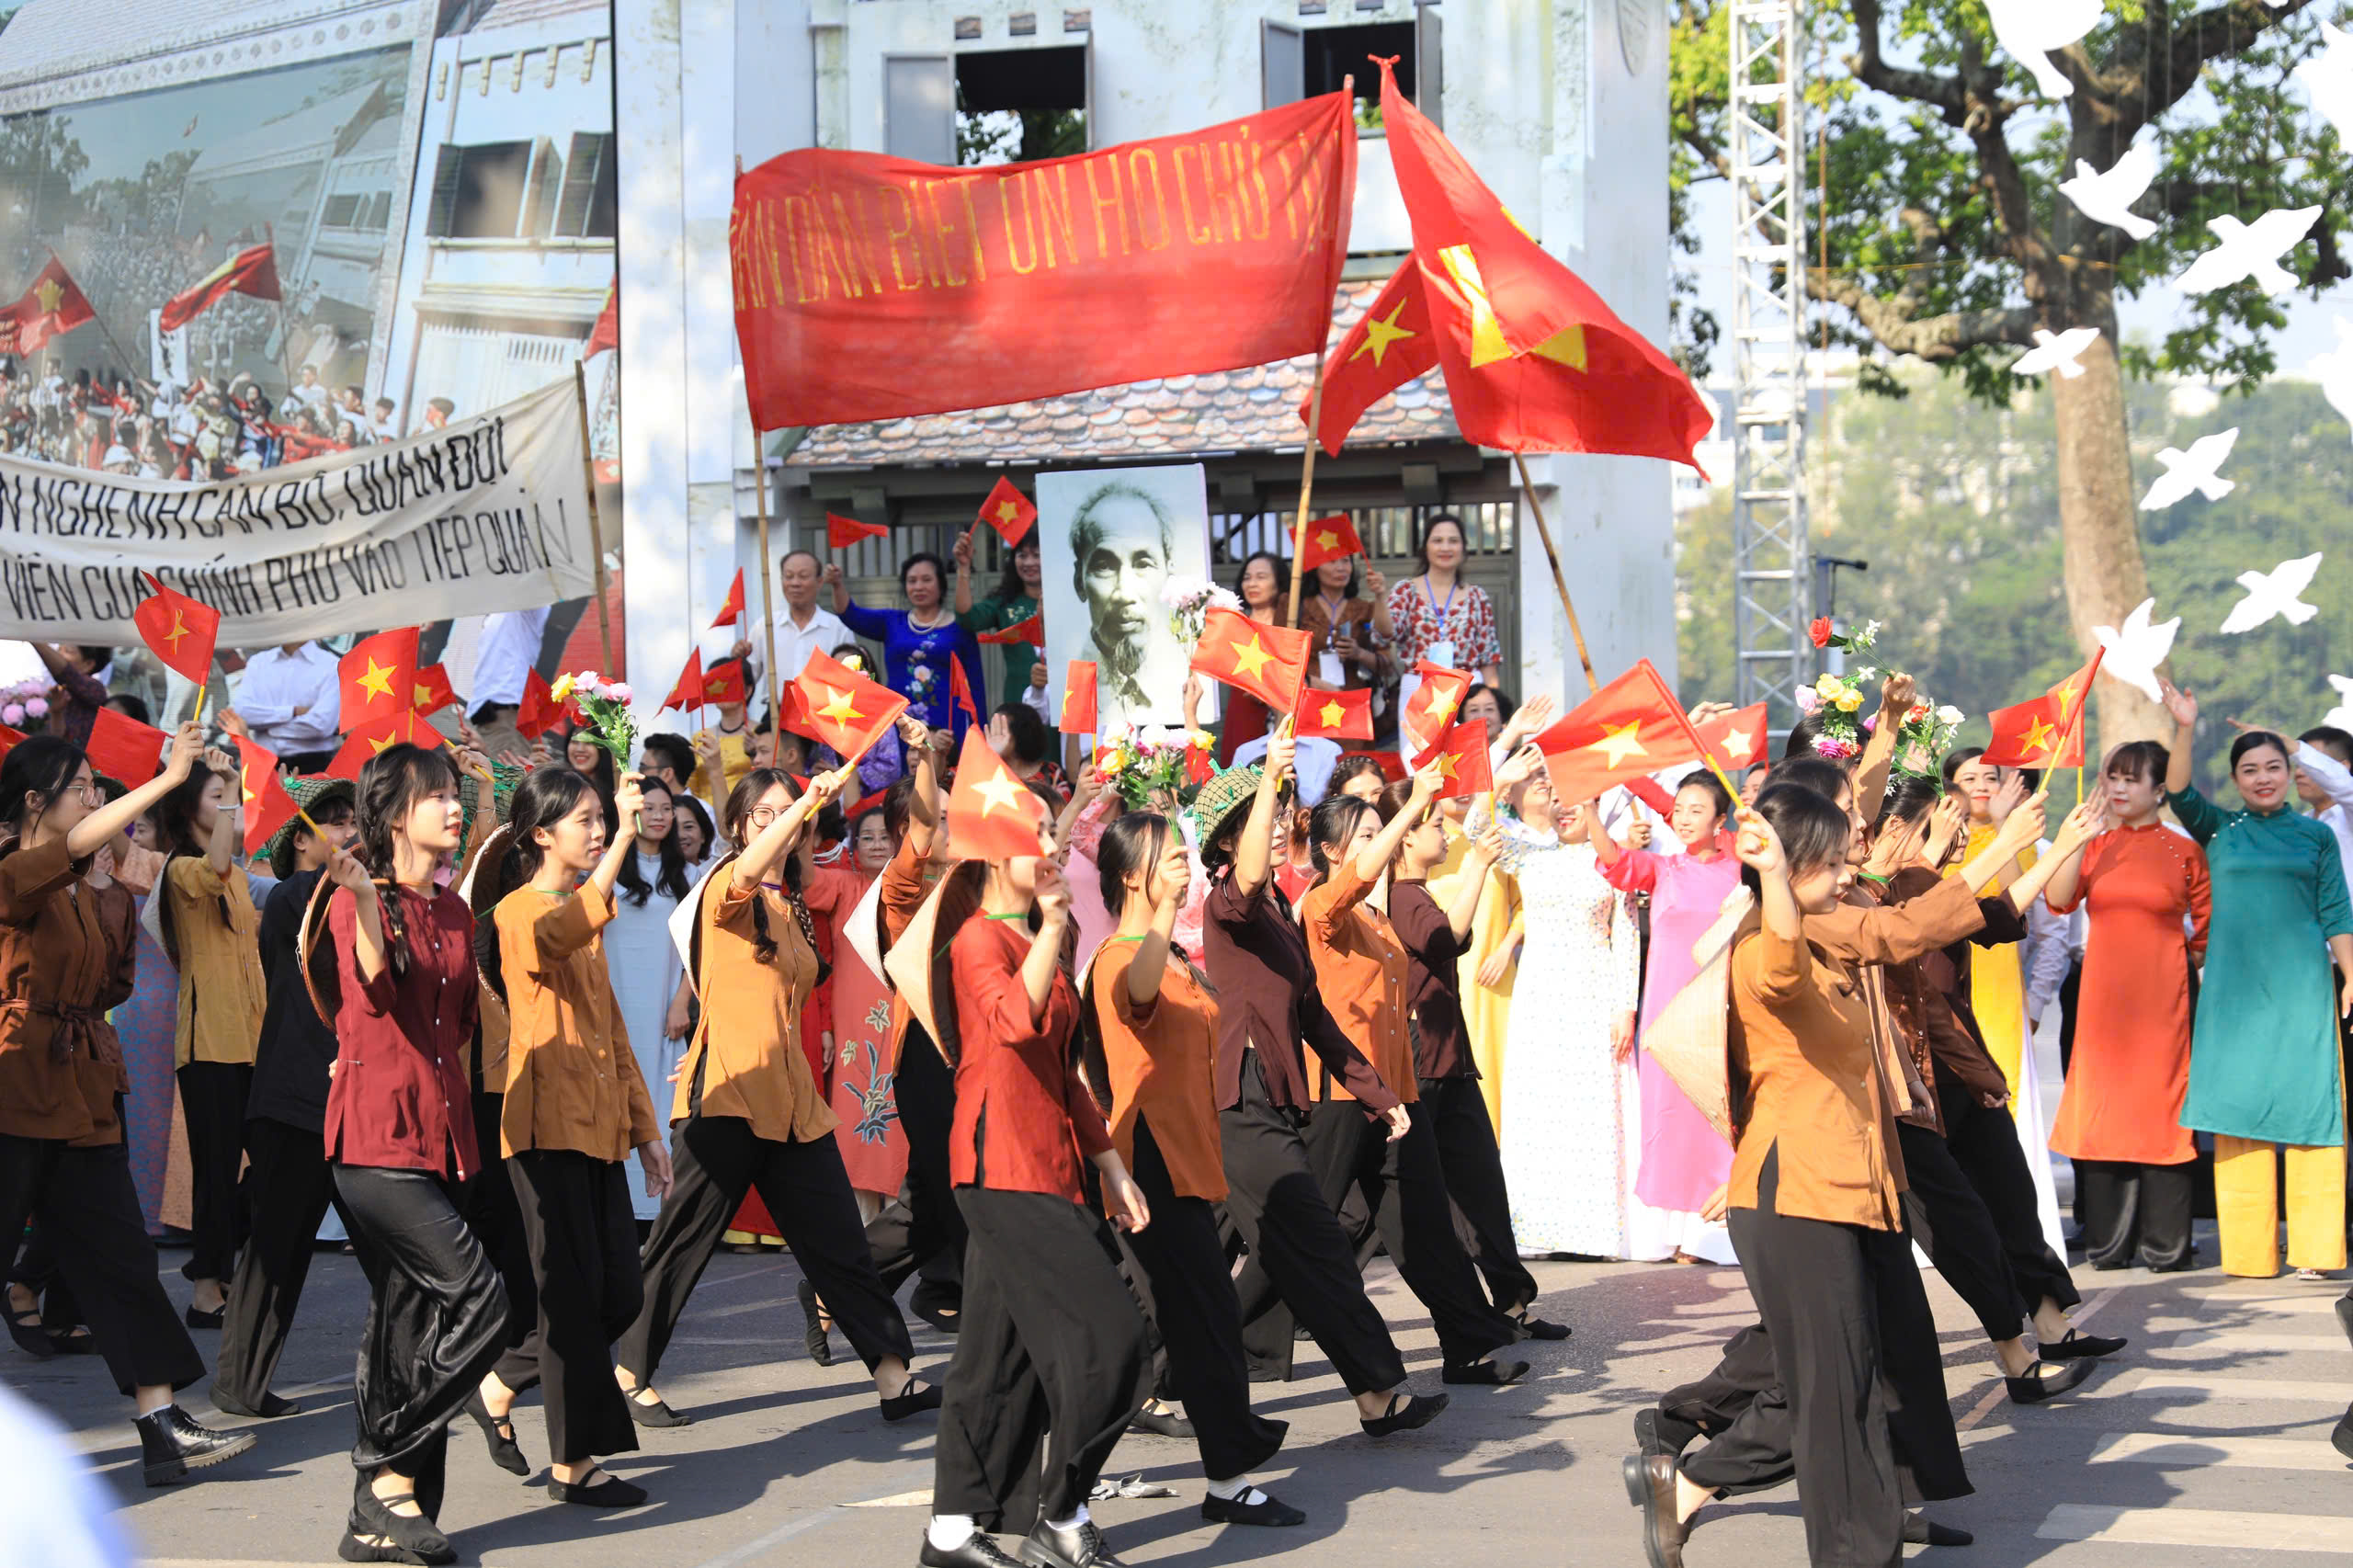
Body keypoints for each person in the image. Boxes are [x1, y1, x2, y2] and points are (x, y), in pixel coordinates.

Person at [1631, 787, 1970, 1568]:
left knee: (1850, 1380)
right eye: (1836, 855)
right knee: (1834, 1393)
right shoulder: (1763, 943)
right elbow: (1782, 976)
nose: (1852, 865)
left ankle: (1687, 1485)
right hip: (1798, 1196)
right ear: (1793, 862)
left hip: (1845, 1186)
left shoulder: (1828, 928)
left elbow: (1896, 930)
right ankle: (1842, 1547)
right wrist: (1774, 878)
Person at [617, 766, 939, 1425]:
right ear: (738, 827)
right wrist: (800, 810)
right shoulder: (721, 888)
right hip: (730, 1094)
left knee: (840, 1246)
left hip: (793, 1105)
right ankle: (629, 1369)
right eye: (764, 815)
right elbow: (741, 887)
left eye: (789, 812)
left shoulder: (790, 902)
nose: (781, 823)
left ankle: (892, 1375)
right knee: (682, 1244)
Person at [0, 726, 256, 1485]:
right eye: (84, 788)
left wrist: (111, 898)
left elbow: (109, 986)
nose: (97, 799)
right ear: (37, 802)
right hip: (14, 1090)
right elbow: (66, 855)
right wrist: (171, 775)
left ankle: (159, 1416)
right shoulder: (16, 871)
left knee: (121, 1257)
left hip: (81, 1088)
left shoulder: (88, 880)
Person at [1191, 733, 1448, 1434]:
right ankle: (1376, 1393)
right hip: (1237, 1096)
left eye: (1278, 817)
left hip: (1271, 1097)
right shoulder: (1229, 902)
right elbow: (1244, 881)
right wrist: (1270, 776)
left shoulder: (1279, 911)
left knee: (1286, 1253)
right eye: (1260, 822)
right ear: (1226, 845)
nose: (1277, 829)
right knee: (1307, 1247)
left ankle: (1371, 1394)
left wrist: (1378, 1092)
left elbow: (1317, 1021)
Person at [919, 836, 1152, 1568]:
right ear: (995, 858)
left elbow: (1063, 1073)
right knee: (1115, 1342)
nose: (1050, 850)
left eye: (1053, 836)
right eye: (1033, 841)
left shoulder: (1031, 936)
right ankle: (1063, 1511)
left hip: (1051, 1163)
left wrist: (1111, 1165)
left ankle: (952, 1530)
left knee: (994, 1359)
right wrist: (1051, 930)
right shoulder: (975, 941)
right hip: (999, 1166)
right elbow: (1015, 1027)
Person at [1251, 777, 1527, 1383]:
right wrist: (1407, 813)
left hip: (1395, 1096)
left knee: (1425, 1223)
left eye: (1380, 832)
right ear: (1330, 851)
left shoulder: (1377, 920)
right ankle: (1218, 1347)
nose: (1379, 844)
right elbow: (1358, 878)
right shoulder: (1323, 905)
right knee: (1304, 1230)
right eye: (1366, 836)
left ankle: (1469, 1344)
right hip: (1341, 1097)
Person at [317, 744, 511, 1564]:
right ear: (395, 813)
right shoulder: (354, 900)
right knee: (481, 1300)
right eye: (438, 797)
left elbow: (460, 1023)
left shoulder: (457, 912)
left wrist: (493, 791)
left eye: (455, 795)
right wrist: (366, 905)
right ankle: (384, 1464)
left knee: (410, 1319)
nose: (454, 806)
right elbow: (371, 989)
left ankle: (384, 1519)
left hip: (445, 1138)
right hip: (373, 1141)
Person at [1083, 811, 1301, 1528]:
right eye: (1167, 856)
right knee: (1172, 1326)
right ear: (1128, 875)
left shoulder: (1172, 953)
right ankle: (1059, 1487)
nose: (1182, 861)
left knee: (1198, 1318)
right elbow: (1138, 993)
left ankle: (1226, 1472)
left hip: (1184, 1158)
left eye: (1182, 853)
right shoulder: (1123, 956)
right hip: (1146, 1159)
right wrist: (1170, 909)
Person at [478, 767, 674, 1506]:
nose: (598, 830)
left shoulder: (584, 909)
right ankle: (574, 1463)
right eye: (586, 821)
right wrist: (628, 837)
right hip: (542, 1125)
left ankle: (499, 1384)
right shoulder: (520, 911)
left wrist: (647, 1132)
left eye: (604, 819)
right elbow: (561, 932)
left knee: (618, 1292)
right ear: (540, 834)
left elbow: (614, 1032)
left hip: (597, 1127)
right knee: (570, 1295)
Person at [2161, 684, 2353, 1279]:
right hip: (2234, 993)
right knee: (2240, 1108)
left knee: (2312, 1104)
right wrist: (2185, 727)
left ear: (2289, 771)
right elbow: (2175, 790)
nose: (2264, 777)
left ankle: (2319, 1250)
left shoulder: (2316, 834)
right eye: (2250, 769)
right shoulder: (2218, 829)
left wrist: (2351, 975)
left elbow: (2336, 911)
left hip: (2301, 986)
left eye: (2274, 767)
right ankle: (2248, 1253)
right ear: (2237, 779)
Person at [1381, 780, 1566, 1335]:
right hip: (1419, 1061)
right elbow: (1446, 938)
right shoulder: (1402, 895)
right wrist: (1482, 865)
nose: (1444, 831)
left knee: (1481, 1183)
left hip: (1448, 1055)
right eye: (1434, 824)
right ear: (1407, 835)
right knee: (1415, 1199)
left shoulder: (1422, 888)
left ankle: (1511, 1300)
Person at [210, 778, 359, 1420]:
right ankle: (240, 1386)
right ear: (301, 840)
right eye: (334, 823)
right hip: (292, 1102)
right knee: (276, 1251)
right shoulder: (291, 899)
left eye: (358, 820)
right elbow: (306, 911)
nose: (350, 831)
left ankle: (425, 1378)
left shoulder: (368, 902)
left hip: (355, 1102)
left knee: (396, 1252)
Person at [2040, 741, 2210, 1271]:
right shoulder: (2097, 845)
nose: (2117, 787)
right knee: (2103, 1106)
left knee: (2163, 1108)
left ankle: (2166, 1244)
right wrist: (2072, 841)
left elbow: (2205, 932)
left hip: (2165, 999)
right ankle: (2109, 1244)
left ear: (2159, 790)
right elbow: (2059, 899)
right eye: (2113, 776)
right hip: (2102, 999)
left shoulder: (2184, 850)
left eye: (2131, 779)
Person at [1480, 748, 1646, 1259]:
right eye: (1558, 798)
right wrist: (1502, 778)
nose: (1565, 806)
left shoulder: (1613, 862)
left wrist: (1625, 1006)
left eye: (1578, 800)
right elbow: (1473, 828)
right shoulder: (1530, 854)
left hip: (1594, 990)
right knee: (1540, 1106)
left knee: (1594, 1108)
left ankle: (1593, 1231)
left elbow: (1628, 936)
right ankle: (1536, 1229)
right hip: (1541, 991)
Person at [1592, 771, 1744, 1265]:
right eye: (1678, 809)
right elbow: (1614, 864)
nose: (1683, 817)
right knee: (1670, 1116)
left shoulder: (1741, 864)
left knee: (1719, 1111)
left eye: (1697, 809)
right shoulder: (1664, 867)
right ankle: (1675, 1232)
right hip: (1664, 1007)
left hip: (1720, 1004)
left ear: (1721, 818)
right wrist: (1593, 811)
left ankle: (1719, 1234)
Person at [154, 747, 268, 1328]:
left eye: (230, 793)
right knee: (218, 1167)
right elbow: (218, 865)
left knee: (274, 1161)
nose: (227, 801)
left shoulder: (240, 877)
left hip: (252, 1039)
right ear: (187, 806)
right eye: (214, 794)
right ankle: (207, 1288)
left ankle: (212, 1257)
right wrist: (228, 780)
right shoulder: (181, 869)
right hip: (208, 1043)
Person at [604, 776, 693, 1221]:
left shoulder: (690, 875)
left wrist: (682, 1002)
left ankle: (657, 1210)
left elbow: (696, 951)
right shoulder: (606, 868)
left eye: (666, 808)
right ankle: (620, 1209)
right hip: (615, 1000)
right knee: (618, 1093)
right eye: (649, 808)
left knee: (659, 1097)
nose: (658, 816)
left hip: (664, 1008)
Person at [828, 554, 988, 756]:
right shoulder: (892, 622)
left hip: (948, 724)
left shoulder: (961, 627)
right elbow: (850, 614)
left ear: (941, 584)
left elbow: (976, 683)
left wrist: (981, 732)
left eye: (927, 580)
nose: (918, 586)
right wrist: (836, 584)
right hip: (900, 720)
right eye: (912, 581)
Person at [1377, 515, 1500, 760]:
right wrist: (1380, 596)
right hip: (1420, 686)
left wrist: (1494, 703)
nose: (1445, 547)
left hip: (1467, 687)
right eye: (1438, 540)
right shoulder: (1405, 591)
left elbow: (1488, 657)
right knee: (1419, 759)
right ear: (1426, 548)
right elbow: (1385, 634)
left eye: (1453, 541)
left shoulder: (1477, 596)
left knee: (1468, 760)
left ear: (1464, 548)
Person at [1069, 480, 1186, 727]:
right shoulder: (1070, 688)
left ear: (1169, 575)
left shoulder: (1189, 680)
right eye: (1103, 567)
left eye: (1143, 563)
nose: (1124, 593)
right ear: (1079, 581)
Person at [953, 527, 1049, 723]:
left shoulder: (1070, 599)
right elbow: (967, 618)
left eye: (1037, 555)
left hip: (1065, 694)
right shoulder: (1005, 602)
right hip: (1019, 697)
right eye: (1022, 555)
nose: (1029, 562)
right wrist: (964, 566)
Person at [1213, 551, 1290, 767]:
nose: (1252, 583)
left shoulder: (1290, 623)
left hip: (1279, 713)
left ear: (1278, 582)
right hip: (1243, 711)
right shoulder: (1234, 623)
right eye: (1247, 577)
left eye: (1261, 577)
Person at [223, 641, 342, 773]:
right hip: (265, 763)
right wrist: (292, 712)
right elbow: (243, 713)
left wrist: (270, 729)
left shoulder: (331, 664)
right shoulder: (259, 662)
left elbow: (321, 725)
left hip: (314, 764)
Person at [1297, 551, 1387, 704]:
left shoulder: (1365, 609)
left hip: (1354, 701)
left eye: (1345, 561)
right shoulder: (1295, 607)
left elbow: (1387, 667)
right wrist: (1308, 681)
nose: (1341, 568)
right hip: (1308, 697)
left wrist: (1359, 653)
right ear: (1315, 568)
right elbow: (1281, 659)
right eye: (1332, 561)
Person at [467, 608, 551, 763]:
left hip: (507, 713)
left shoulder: (521, 605)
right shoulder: (498, 610)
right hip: (488, 715)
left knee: (509, 781)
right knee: (494, 780)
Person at [768, 549, 853, 689]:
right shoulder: (766, 626)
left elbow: (851, 678)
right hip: (776, 710)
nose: (795, 583)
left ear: (820, 582)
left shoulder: (838, 628)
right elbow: (747, 678)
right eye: (789, 576)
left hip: (823, 710)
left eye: (803, 576)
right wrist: (739, 656)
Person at [26, 643, 110, 748]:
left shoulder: (96, 688)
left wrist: (35, 639)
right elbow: (57, 737)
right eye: (59, 649)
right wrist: (56, 712)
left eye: (68, 651)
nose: (57, 655)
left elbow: (67, 674)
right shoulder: (63, 692)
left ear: (88, 664)